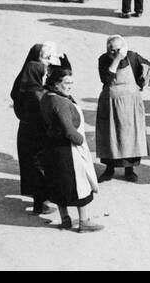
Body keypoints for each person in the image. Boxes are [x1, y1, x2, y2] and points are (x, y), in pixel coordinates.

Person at [39, 65, 102, 232]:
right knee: (79, 185)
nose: (70, 86)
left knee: (58, 184)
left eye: (71, 82)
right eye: (66, 83)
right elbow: (69, 130)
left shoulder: (47, 97)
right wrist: (81, 140)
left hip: (52, 147)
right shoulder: (60, 103)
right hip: (68, 150)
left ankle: (65, 219)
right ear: (55, 83)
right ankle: (84, 222)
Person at [95, 36, 150, 182]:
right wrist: (116, 60)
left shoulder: (133, 56)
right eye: (110, 50)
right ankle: (109, 169)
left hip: (130, 103)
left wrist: (142, 81)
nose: (114, 52)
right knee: (110, 135)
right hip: (111, 102)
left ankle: (129, 170)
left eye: (117, 49)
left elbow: (147, 67)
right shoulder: (104, 60)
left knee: (130, 136)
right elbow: (106, 78)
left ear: (125, 48)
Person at [10, 43, 53, 215]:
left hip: (27, 130)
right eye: (46, 58)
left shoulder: (27, 77)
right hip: (37, 132)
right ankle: (40, 203)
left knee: (33, 166)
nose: (48, 63)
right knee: (39, 166)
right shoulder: (33, 89)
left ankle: (40, 201)